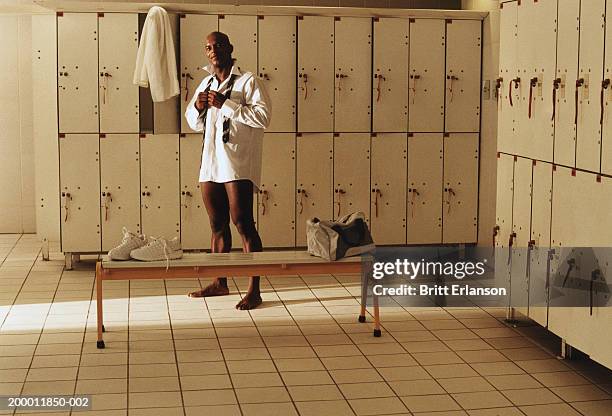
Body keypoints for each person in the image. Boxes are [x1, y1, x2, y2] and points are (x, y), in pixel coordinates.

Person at [185, 32, 271, 310]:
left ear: (230, 48)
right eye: (208, 47)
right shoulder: (206, 82)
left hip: (236, 163)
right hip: (210, 162)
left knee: (243, 223)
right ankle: (220, 282)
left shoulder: (249, 82)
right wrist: (197, 107)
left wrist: (227, 104)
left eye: (218, 45)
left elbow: (263, 117)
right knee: (216, 224)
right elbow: (193, 123)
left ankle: (254, 289)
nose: (213, 51)